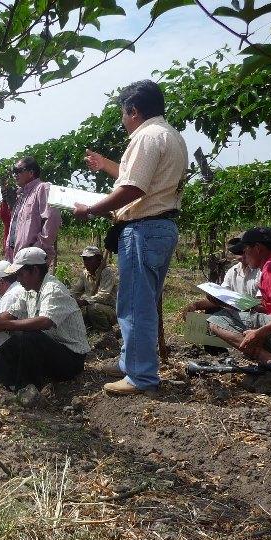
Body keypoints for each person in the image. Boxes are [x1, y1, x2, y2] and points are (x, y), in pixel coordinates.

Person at [74, 79, 188, 395]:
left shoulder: (146, 137)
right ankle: (130, 362)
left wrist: (93, 209)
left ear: (133, 110)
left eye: (123, 114)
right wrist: (104, 164)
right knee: (141, 301)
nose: (123, 121)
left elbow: (133, 188)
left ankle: (140, 376)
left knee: (136, 305)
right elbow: (140, 178)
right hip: (160, 228)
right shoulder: (171, 136)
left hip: (143, 229)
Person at [0, 247, 90, 397]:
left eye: (20, 274)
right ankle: (3, 385)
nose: (18, 279)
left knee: (29, 336)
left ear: (34, 270)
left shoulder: (52, 288)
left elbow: (45, 321)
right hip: (51, 350)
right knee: (12, 338)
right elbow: (11, 313)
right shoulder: (29, 291)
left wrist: (6, 325)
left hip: (71, 358)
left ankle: (26, 391)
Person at [208, 227, 271, 363]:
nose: (243, 255)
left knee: (217, 321)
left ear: (257, 248)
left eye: (245, 250)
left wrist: (258, 333)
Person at [181, 237, 261, 321]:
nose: (243, 255)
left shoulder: (261, 271)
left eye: (246, 251)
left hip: (254, 316)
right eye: (239, 252)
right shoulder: (232, 272)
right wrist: (196, 305)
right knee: (212, 311)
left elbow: (262, 307)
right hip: (236, 313)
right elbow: (223, 298)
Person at [3, 157, 61, 262]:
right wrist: (11, 204)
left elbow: (53, 219)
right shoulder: (21, 195)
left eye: (18, 171)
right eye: (14, 171)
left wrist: (37, 248)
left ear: (31, 172)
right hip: (16, 257)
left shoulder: (43, 188)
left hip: (32, 258)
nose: (15, 174)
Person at [70, 246, 118, 331]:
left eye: (90, 259)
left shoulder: (107, 272)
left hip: (110, 310)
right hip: (91, 306)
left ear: (99, 259)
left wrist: (85, 301)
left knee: (93, 308)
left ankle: (104, 332)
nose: (86, 262)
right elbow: (75, 291)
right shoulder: (85, 274)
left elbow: (103, 295)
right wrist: (68, 299)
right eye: (84, 259)